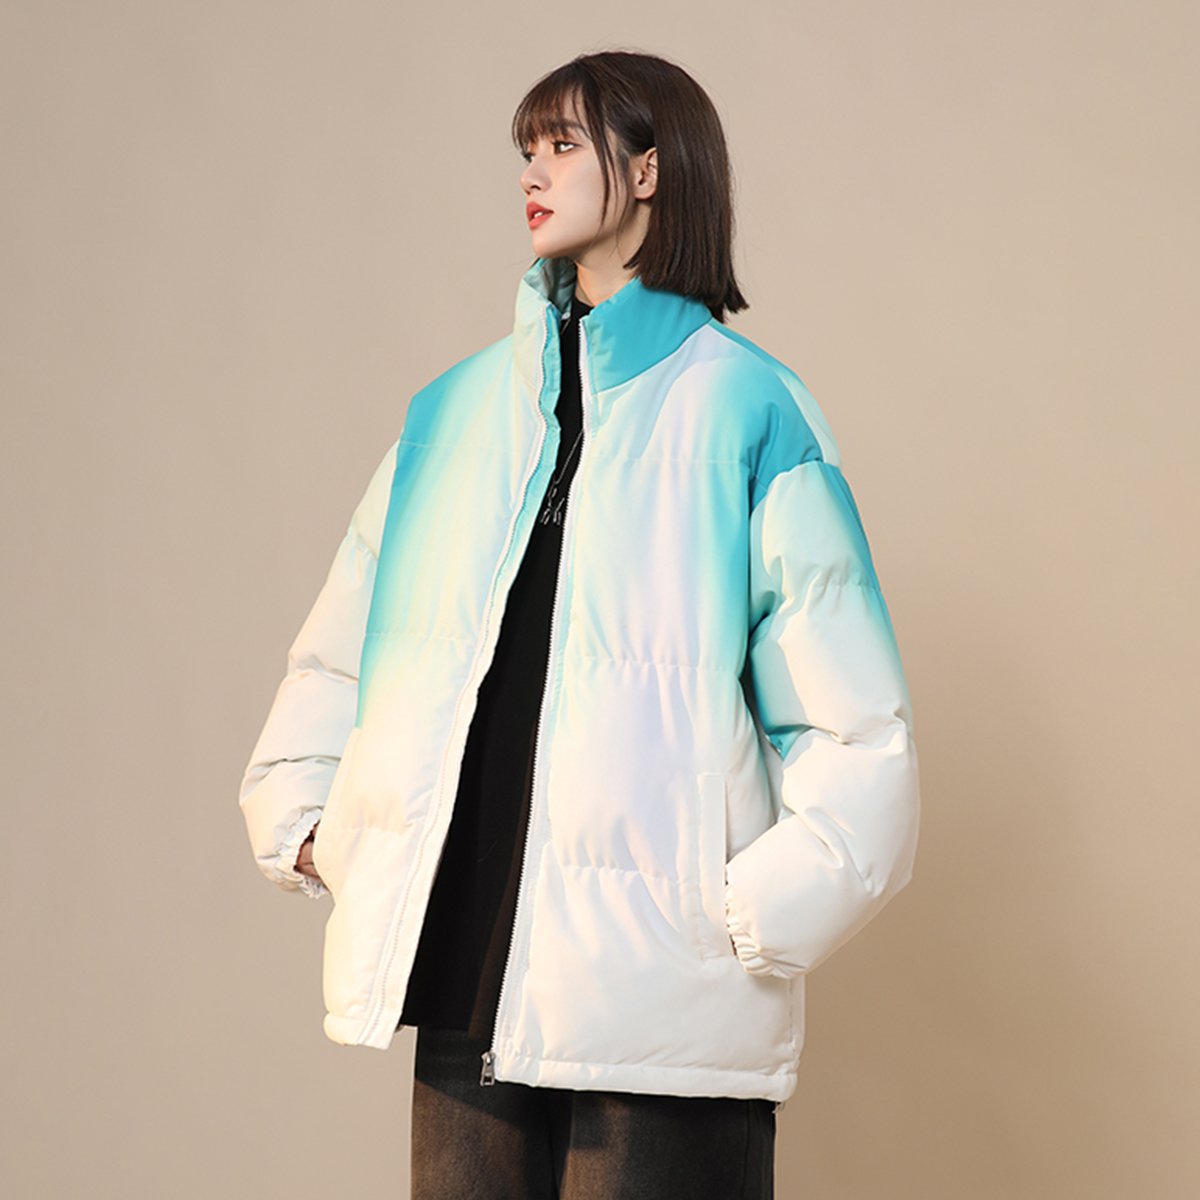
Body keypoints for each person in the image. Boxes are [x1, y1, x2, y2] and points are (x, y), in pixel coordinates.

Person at [240, 49, 919, 1199]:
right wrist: (311, 825)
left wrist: (740, 919)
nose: (533, 172)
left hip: (663, 995)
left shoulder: (746, 408)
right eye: (527, 149)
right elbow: (344, 654)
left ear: (650, 170)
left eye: (563, 145)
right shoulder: (454, 412)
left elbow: (855, 725)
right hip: (464, 968)